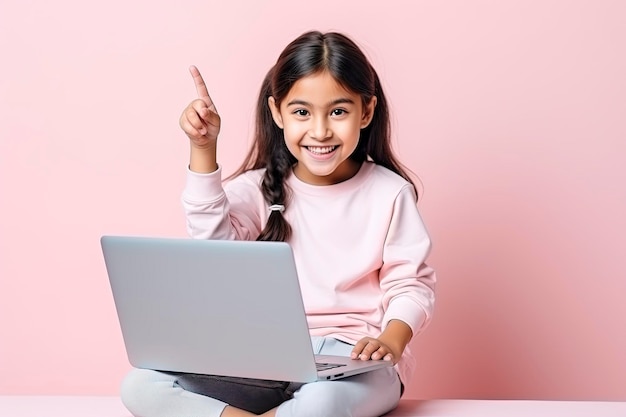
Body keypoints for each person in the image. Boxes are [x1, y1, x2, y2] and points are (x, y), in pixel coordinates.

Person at [120, 30, 436, 417]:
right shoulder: (257, 188)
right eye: (302, 112)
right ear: (277, 112)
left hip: (353, 359)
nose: (320, 131)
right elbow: (213, 246)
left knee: (321, 402)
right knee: (141, 385)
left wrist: (391, 339)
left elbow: (410, 283)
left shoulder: (390, 193)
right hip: (263, 360)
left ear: (366, 112)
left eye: (338, 111)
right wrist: (203, 149)